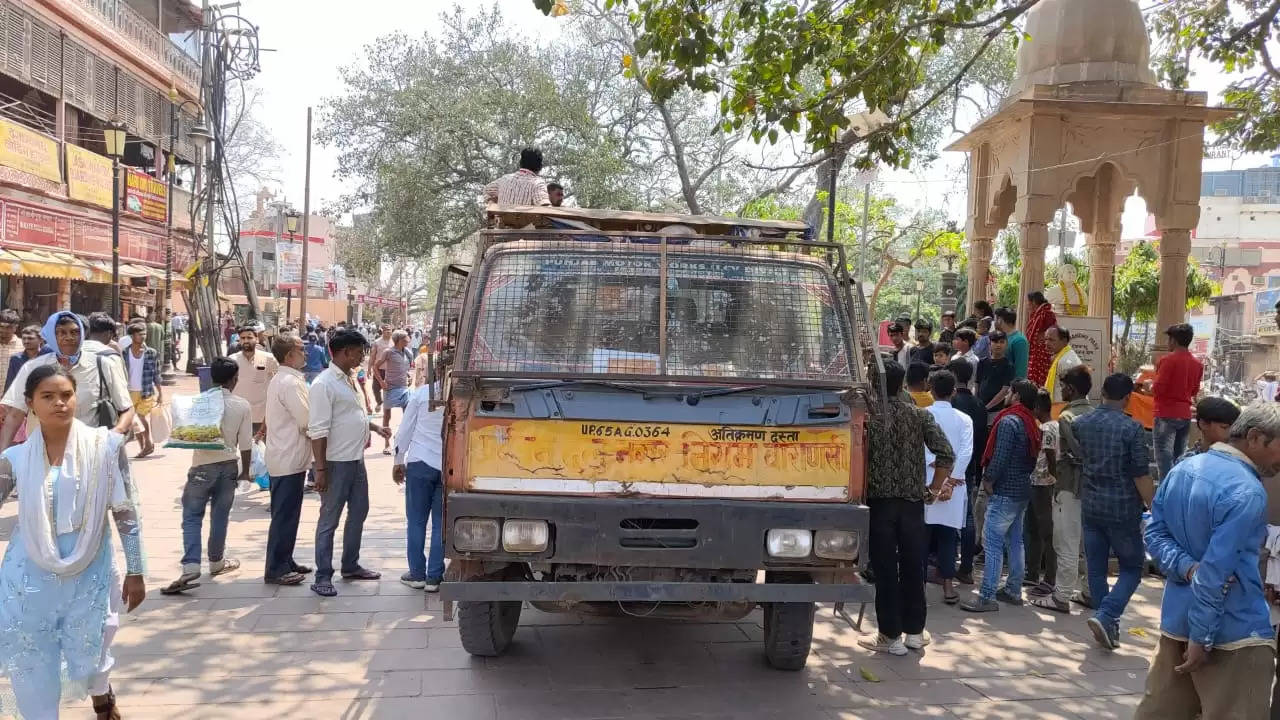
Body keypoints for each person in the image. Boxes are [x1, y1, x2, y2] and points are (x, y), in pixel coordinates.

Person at [0, 364, 145, 720]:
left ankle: (101, 696)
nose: (59, 403)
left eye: (66, 395)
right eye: (48, 397)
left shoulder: (106, 446)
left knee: (94, 644)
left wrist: (136, 569)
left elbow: (124, 511)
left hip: (90, 568)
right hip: (28, 573)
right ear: (31, 403)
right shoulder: (14, 458)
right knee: (30, 654)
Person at [1136, 404, 1280, 720]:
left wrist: (1186, 566)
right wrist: (1202, 637)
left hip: (1177, 625)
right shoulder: (1248, 492)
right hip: (1234, 637)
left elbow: (1154, 533)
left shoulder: (1182, 470)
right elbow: (1215, 572)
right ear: (1255, 437)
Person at [858, 360, 955, 655]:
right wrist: (934, 489)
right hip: (913, 504)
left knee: (886, 569)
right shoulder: (918, 415)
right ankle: (915, 632)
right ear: (900, 384)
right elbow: (946, 454)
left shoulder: (867, 418)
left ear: (873, 384)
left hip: (880, 504)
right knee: (914, 567)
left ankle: (890, 636)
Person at [1071, 373, 1153, 650]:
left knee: (1096, 567)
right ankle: (1107, 615)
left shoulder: (1081, 424)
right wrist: (1154, 505)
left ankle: (1107, 622)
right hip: (1122, 507)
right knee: (1132, 566)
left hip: (1092, 504)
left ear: (1102, 392)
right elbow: (1140, 473)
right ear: (1128, 398)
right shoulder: (1132, 429)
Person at [308, 329, 393, 597]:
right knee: (329, 519)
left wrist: (374, 427)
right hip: (334, 463)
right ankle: (323, 575)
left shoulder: (349, 379)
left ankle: (350, 564)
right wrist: (320, 470)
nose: (361, 356)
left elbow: (349, 414)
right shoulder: (324, 384)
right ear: (345, 352)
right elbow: (318, 430)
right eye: (358, 352)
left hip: (356, 460)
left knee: (359, 511)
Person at [161, 357, 252, 595]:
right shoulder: (242, 405)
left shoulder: (199, 402)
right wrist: (246, 471)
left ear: (211, 378)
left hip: (201, 465)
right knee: (220, 516)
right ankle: (216, 562)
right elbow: (246, 444)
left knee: (192, 516)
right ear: (235, 380)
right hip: (229, 464)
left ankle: (191, 565)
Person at [0, 312, 135, 452]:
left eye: (74, 332)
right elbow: (15, 414)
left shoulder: (103, 365)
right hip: (43, 452)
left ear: (82, 334)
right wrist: (2, 456)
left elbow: (126, 408)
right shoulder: (33, 367)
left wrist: (114, 435)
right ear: (52, 336)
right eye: (61, 333)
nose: (69, 337)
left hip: (89, 452)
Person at [961, 380, 1041, 613]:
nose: (1007, 394)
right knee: (1015, 541)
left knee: (993, 543)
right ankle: (1013, 590)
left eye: (1010, 391)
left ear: (1016, 396)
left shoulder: (1009, 421)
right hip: (1021, 490)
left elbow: (1000, 457)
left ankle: (987, 596)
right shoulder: (1029, 422)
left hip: (1004, 490)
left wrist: (988, 479)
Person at [1031, 366, 1093, 614]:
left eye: (1064, 386)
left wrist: (1057, 476)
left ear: (1072, 389)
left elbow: (1070, 454)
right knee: (1088, 546)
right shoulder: (1094, 413)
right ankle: (1089, 591)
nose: (1062, 390)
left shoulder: (1067, 418)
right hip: (1092, 487)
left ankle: (1061, 595)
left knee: (1065, 541)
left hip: (1069, 484)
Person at [264, 335, 313, 586]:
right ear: (289, 356)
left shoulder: (284, 379)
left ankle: (285, 559)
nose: (305, 353)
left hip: (286, 455)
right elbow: (306, 421)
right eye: (301, 350)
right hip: (288, 456)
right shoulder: (289, 382)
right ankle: (276, 568)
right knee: (284, 515)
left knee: (288, 514)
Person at [924, 369, 973, 605]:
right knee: (947, 537)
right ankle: (947, 586)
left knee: (921, 536)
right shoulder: (964, 420)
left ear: (930, 390)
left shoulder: (921, 415)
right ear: (954, 391)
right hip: (954, 485)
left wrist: (935, 469)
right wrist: (952, 480)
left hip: (926, 482)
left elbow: (920, 450)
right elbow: (966, 452)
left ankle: (916, 586)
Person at [393, 371, 446, 592]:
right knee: (440, 523)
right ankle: (434, 577)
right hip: (448, 465)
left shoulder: (422, 394)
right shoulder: (461, 396)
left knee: (416, 521)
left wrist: (398, 460)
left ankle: (417, 574)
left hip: (420, 461)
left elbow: (405, 429)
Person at [947, 359, 987, 586]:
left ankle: (947, 564)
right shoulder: (978, 404)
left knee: (948, 518)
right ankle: (967, 568)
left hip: (946, 468)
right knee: (967, 517)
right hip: (970, 467)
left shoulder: (952, 404)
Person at [1152, 323, 1203, 482]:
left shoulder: (1167, 360)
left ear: (1173, 340)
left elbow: (1158, 389)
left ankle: (1165, 496)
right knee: (1179, 459)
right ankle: (1177, 492)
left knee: (1164, 460)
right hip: (1185, 415)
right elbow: (1194, 391)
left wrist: (1149, 385)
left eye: (1169, 339)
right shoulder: (1197, 364)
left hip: (1166, 414)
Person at [1024, 389, 1058, 597]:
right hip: (1038, 482)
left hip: (1043, 483)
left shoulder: (1046, 429)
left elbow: (1051, 457)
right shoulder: (1053, 426)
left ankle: (1049, 579)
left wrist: (1054, 480)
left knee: (1045, 532)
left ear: (1037, 408)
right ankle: (1032, 572)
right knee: (1033, 529)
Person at [229, 326, 278, 438]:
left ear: (256, 339)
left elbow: (279, 380)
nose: (246, 340)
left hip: (261, 418)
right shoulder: (232, 360)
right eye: (243, 338)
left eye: (249, 337)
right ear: (239, 340)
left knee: (261, 451)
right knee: (238, 452)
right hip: (238, 416)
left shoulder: (268, 359)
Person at [123, 322, 162, 458]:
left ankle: (148, 443)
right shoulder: (124, 353)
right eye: (140, 334)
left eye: (144, 333)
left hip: (146, 391)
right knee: (133, 421)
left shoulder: (151, 353)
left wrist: (160, 393)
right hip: (129, 391)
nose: (143, 336)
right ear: (132, 336)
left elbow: (156, 374)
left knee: (140, 417)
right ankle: (144, 447)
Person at [373, 330, 413, 455]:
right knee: (387, 416)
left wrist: (408, 375)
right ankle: (387, 444)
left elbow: (404, 366)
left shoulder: (407, 352)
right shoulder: (388, 352)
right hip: (390, 388)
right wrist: (381, 382)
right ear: (400, 340)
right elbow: (376, 367)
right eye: (406, 337)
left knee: (408, 415)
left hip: (404, 387)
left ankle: (403, 441)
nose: (408, 339)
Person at [1179, 396, 1240, 461]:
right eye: (1224, 427)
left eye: (1233, 428)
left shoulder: (1236, 458)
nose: (1231, 433)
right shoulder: (1188, 460)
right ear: (1204, 424)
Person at [483, 147, 551, 206]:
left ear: (521, 163)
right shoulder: (537, 184)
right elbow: (544, 205)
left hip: (503, 220)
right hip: (525, 221)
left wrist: (492, 206)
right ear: (540, 167)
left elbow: (487, 190)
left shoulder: (504, 179)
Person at [975, 330, 1013, 415]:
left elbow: (1005, 390)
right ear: (989, 345)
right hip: (980, 408)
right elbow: (977, 384)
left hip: (997, 410)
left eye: (1001, 342)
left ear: (1006, 344)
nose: (998, 345)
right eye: (995, 342)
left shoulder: (1008, 366)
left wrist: (987, 407)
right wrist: (977, 404)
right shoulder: (982, 362)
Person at [4, 323, 49, 393]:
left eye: (30, 338)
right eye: (24, 338)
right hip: (22, 396)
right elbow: (10, 382)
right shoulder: (16, 359)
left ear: (41, 340)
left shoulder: (48, 357)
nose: (26, 341)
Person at [1024, 291, 1058, 386]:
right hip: (1035, 351)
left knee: (1039, 379)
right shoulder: (1038, 314)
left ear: (1033, 303)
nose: (1027, 306)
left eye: (1028, 303)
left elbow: (1052, 332)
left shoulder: (1047, 314)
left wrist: (1042, 337)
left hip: (1041, 352)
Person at [1043, 327, 1082, 403]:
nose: (1046, 343)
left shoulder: (1066, 362)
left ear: (1064, 341)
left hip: (1064, 410)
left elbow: (1069, 394)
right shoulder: (1061, 357)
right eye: (1046, 339)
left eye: (1051, 340)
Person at [993, 307, 1027, 380]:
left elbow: (1020, 370)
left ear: (1000, 320)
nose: (994, 322)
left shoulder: (1019, 340)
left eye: (995, 319)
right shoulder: (1000, 337)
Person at [367, 325, 393, 413]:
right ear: (383, 331)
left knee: (389, 390)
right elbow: (372, 356)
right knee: (375, 388)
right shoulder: (377, 342)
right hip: (378, 370)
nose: (389, 332)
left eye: (390, 330)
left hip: (390, 370)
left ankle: (387, 407)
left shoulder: (394, 342)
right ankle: (379, 402)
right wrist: (369, 368)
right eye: (387, 330)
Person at [0, 308, 22, 392]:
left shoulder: (23, 346)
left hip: (13, 397)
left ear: (15, 328)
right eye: (1, 326)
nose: (4, 330)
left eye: (8, 327)